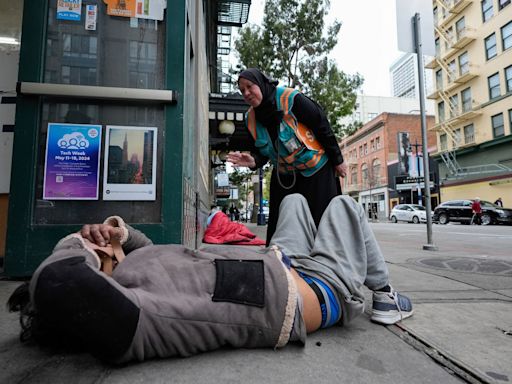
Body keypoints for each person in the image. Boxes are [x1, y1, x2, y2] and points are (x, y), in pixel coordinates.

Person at [8, 194, 412, 364]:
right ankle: (385, 294)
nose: (96, 238)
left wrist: (119, 234)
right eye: (92, 246)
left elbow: (149, 249)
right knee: (344, 205)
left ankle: (364, 277)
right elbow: (61, 284)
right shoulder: (137, 315)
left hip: (282, 261)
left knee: (293, 200)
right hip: (315, 289)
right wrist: (74, 245)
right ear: (90, 267)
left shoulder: (130, 270)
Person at [227, 68, 347, 245]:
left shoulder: (291, 99)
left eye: (249, 86)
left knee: (321, 222)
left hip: (315, 169)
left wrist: (338, 160)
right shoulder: (250, 119)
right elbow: (262, 153)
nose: (246, 93)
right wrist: (254, 161)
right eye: (242, 90)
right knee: (279, 223)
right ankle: (278, 262)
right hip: (285, 174)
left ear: (261, 84)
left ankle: (325, 261)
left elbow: (322, 125)